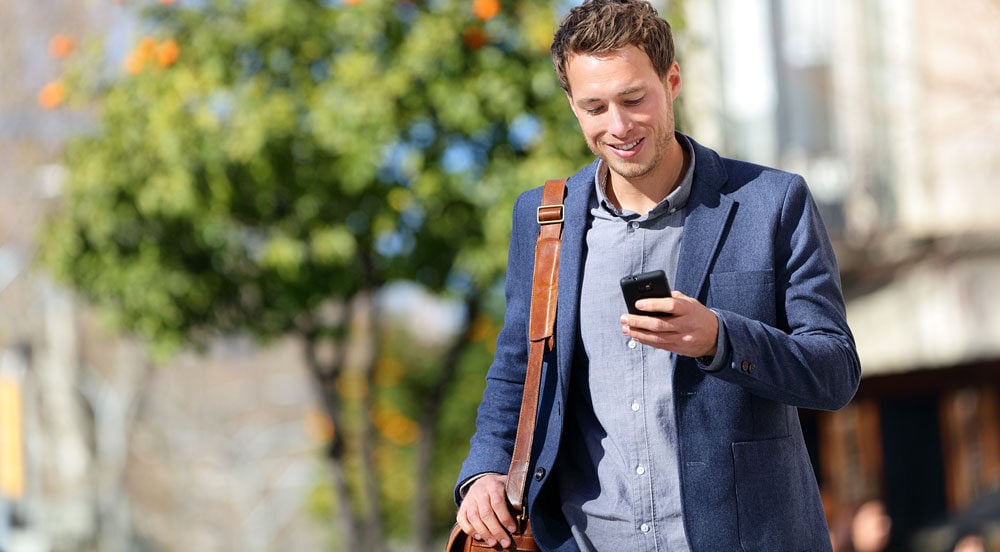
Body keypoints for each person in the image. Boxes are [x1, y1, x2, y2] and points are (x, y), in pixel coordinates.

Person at [453, 0, 861, 550]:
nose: (618, 126)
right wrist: (484, 471)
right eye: (594, 107)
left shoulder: (772, 202)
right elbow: (518, 368)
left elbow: (834, 371)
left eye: (633, 99)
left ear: (672, 81)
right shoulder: (545, 218)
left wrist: (719, 338)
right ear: (572, 105)